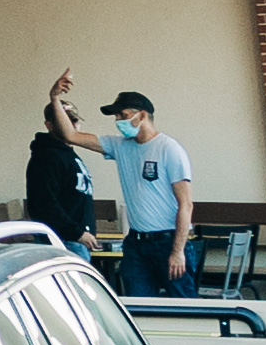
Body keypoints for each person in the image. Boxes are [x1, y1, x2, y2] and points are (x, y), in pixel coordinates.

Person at [58, 75, 197, 294]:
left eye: (123, 115)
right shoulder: (119, 145)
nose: (118, 120)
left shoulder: (169, 149)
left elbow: (186, 204)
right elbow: (71, 135)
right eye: (116, 116)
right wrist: (54, 98)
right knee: (138, 306)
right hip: (136, 243)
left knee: (182, 307)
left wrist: (177, 251)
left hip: (168, 240)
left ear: (142, 115)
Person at [21, 80, 100, 246]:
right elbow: (44, 205)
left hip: (76, 240)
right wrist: (77, 233)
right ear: (49, 125)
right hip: (62, 241)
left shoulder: (69, 155)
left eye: (74, 121)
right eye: (65, 121)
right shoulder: (47, 157)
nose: (72, 126)